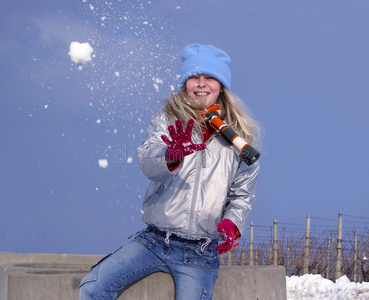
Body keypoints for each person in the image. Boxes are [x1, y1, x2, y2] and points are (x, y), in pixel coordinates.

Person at [79, 43, 261, 300]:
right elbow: (146, 160)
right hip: (154, 241)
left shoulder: (239, 138)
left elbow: (242, 195)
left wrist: (232, 223)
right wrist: (169, 156)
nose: (201, 84)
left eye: (209, 77)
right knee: (93, 287)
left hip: (200, 251)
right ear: (185, 82)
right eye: (194, 77)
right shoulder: (167, 119)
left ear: (221, 85)